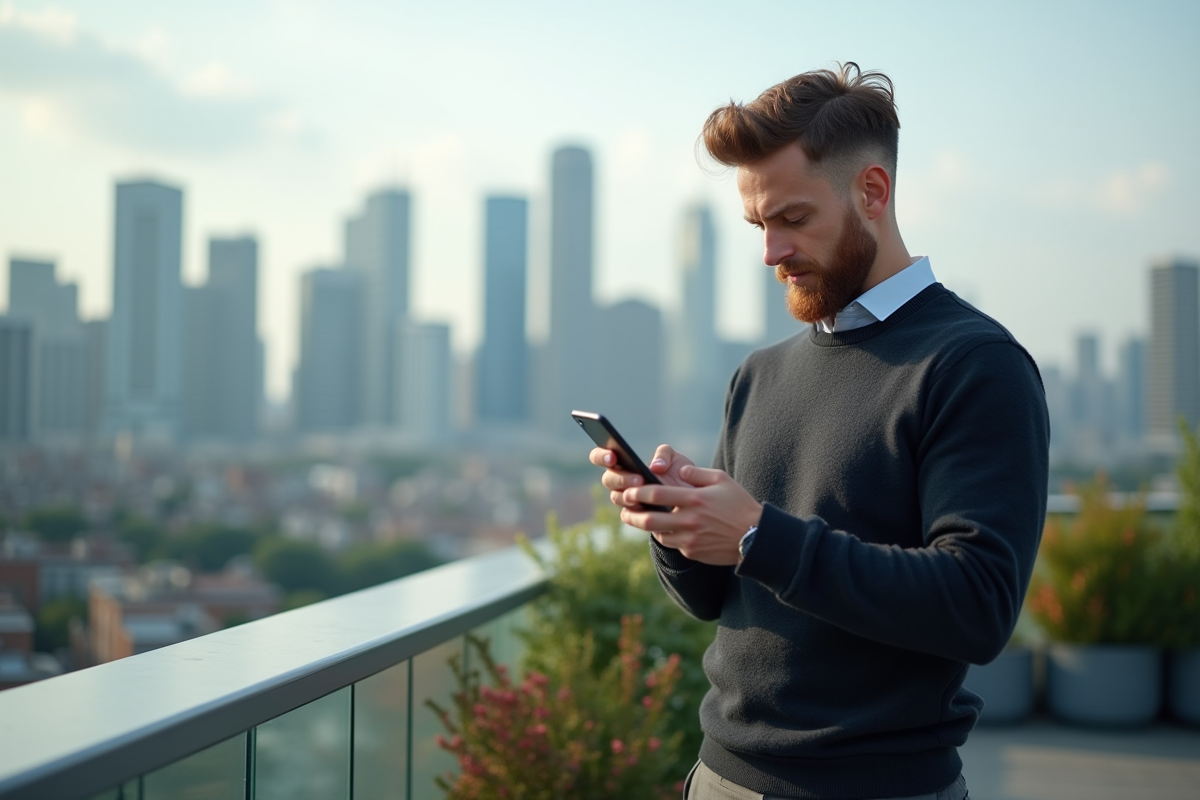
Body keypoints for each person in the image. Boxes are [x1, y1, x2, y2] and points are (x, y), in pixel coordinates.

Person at [589, 63, 1049, 800]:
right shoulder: (761, 373)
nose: (770, 252)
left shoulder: (974, 364)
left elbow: (978, 605)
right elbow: (714, 598)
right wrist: (675, 522)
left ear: (872, 191)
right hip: (718, 776)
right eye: (758, 225)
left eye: (793, 219)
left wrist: (757, 536)